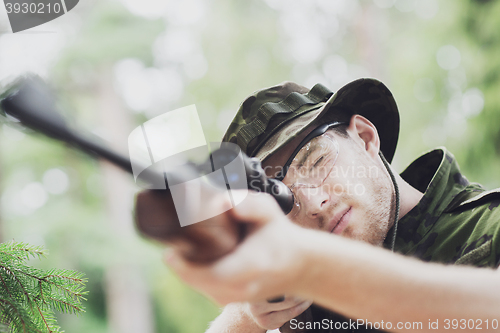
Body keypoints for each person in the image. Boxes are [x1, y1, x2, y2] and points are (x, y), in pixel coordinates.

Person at [158, 79, 500, 332]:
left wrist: (315, 270)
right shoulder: (302, 311)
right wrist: (244, 319)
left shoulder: (490, 228)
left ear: (365, 137)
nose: (314, 202)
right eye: (283, 199)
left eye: (318, 161)